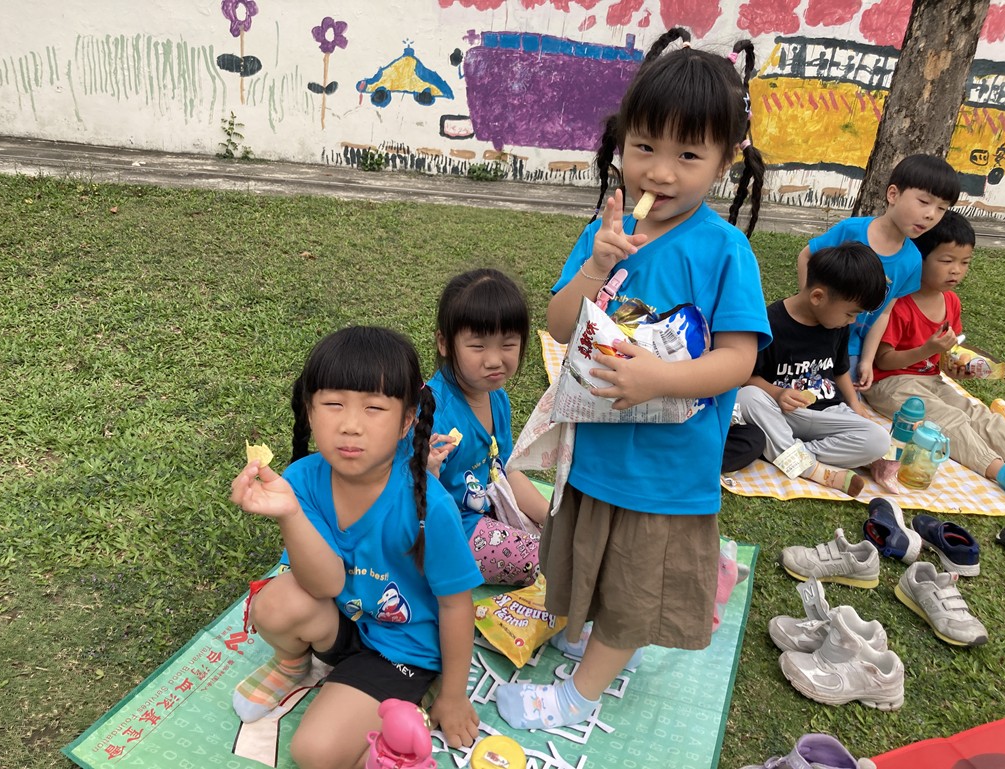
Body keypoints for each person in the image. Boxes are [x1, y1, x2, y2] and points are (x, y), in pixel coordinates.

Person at [494, 31, 772, 730]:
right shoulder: (606, 230)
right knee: (591, 557)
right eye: (645, 146)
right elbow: (560, 325)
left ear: (725, 161)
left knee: (633, 584)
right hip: (595, 454)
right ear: (622, 142)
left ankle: (578, 694)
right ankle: (594, 634)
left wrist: (660, 379)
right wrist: (596, 266)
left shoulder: (724, 251)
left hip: (665, 471)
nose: (661, 172)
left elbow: (739, 360)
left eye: (688, 155)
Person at [229, 326, 483, 768]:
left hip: (401, 647)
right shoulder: (302, 479)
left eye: (374, 408)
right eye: (333, 404)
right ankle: (294, 666)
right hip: (343, 619)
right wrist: (290, 513)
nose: (350, 425)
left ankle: (407, 707)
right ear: (310, 411)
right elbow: (324, 584)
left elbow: (456, 604)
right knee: (274, 603)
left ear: (406, 421)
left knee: (314, 753)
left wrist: (454, 694)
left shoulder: (428, 505)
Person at [863, 210, 1005, 493]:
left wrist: (956, 368)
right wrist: (926, 349)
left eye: (965, 262)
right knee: (947, 419)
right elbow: (884, 361)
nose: (956, 270)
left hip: (930, 380)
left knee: (977, 413)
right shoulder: (899, 303)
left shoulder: (951, 302)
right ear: (920, 258)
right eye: (946, 260)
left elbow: (941, 358)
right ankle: (998, 470)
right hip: (890, 383)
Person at [426, 268, 550, 586]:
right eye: (478, 347)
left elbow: (504, 470)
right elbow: (414, 501)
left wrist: (553, 518)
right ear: (444, 343)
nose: (494, 360)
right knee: (545, 559)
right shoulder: (434, 415)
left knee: (563, 534)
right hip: (448, 530)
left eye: (507, 345)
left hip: (484, 508)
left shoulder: (497, 397)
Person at [796, 154, 960, 391]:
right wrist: (809, 306)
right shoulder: (850, 230)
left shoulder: (912, 260)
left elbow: (884, 313)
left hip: (850, 348)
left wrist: (866, 360)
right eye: (924, 202)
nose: (931, 214)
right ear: (893, 194)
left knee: (844, 399)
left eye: (942, 208)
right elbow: (806, 257)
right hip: (811, 333)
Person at [737, 243, 890, 496]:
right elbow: (746, 378)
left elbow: (840, 370)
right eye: (850, 314)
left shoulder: (838, 325)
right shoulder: (771, 322)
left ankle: (787, 452)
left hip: (827, 414)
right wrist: (777, 393)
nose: (852, 321)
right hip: (782, 412)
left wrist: (854, 404)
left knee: (879, 440)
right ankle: (813, 469)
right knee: (746, 398)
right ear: (818, 297)